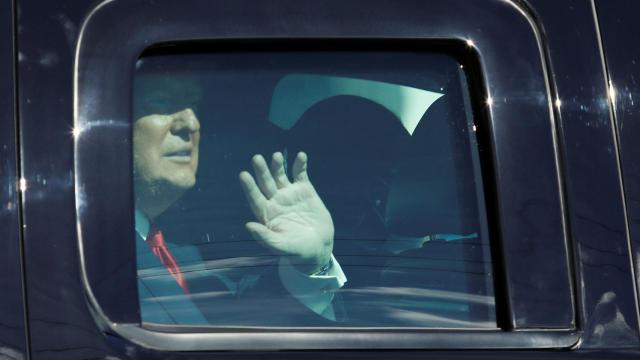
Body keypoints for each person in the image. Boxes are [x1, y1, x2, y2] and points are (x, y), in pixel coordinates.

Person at [132, 71, 346, 325]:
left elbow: (243, 325)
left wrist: (310, 266)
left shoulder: (184, 256)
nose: (191, 123)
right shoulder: (84, 254)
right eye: (160, 101)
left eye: (195, 106)